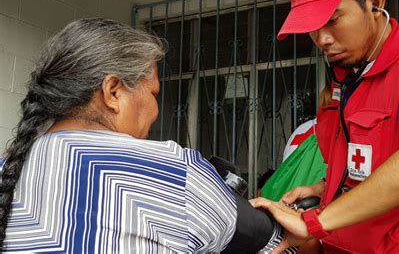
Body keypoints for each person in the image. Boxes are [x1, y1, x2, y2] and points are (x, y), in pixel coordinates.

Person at [0, 18, 294, 253]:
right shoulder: (172, 172)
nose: (155, 110)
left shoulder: (7, 171)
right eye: (153, 93)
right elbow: (281, 246)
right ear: (113, 91)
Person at [251, 0, 399, 253]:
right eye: (311, 27)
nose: (321, 39)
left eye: (332, 20)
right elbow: (362, 164)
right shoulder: (347, 78)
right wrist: (322, 188)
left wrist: (315, 223)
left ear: (376, 3)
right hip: (350, 241)